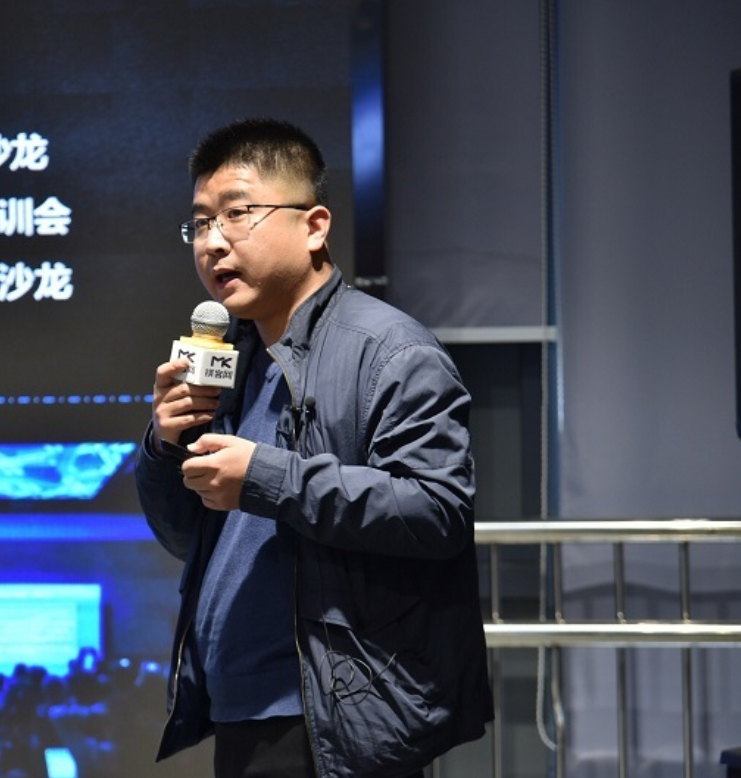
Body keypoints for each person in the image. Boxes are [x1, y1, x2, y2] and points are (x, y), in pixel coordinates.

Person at [135, 118, 493, 778]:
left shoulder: (391, 351)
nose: (212, 242)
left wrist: (266, 476)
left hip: (332, 714)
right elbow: (186, 536)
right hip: (241, 708)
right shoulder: (232, 358)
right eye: (200, 223)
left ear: (314, 226)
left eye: (237, 214)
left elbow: (438, 511)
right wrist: (164, 445)